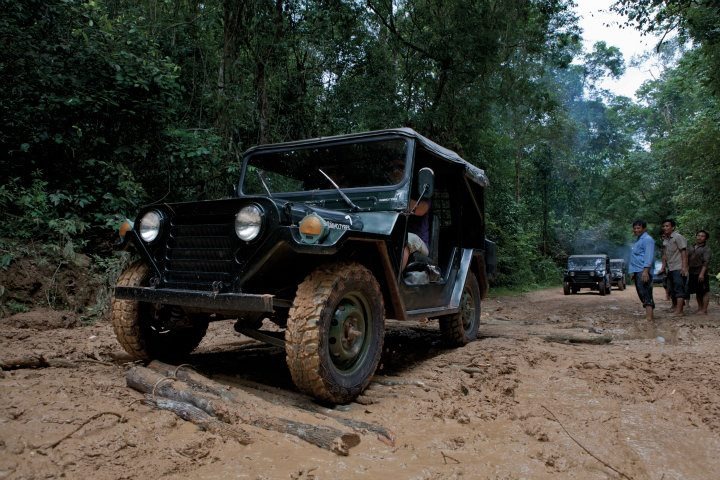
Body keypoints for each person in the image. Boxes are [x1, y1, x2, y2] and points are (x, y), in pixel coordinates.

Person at [660, 219, 689, 315]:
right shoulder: (665, 239)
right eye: (664, 226)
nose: (665, 228)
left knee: (678, 288)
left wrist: (684, 267)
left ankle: (680, 311)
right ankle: (674, 307)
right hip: (670, 267)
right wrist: (663, 267)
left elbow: (684, 253)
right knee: (671, 288)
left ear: (673, 227)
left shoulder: (678, 237)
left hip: (678, 266)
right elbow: (664, 254)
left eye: (667, 226)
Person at [629, 219, 655, 321]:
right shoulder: (638, 240)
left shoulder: (647, 239)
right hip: (637, 270)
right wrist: (632, 272)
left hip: (643, 270)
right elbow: (635, 257)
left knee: (646, 292)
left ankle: (649, 317)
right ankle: (650, 316)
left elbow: (649, 256)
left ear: (644, 228)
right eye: (635, 228)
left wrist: (645, 271)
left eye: (638, 228)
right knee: (641, 293)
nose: (636, 230)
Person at [688, 230, 712, 315]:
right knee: (698, 291)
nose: (699, 237)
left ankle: (704, 309)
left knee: (704, 291)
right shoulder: (691, 246)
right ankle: (700, 308)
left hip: (701, 271)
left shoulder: (706, 248)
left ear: (705, 238)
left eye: (702, 236)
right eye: (698, 235)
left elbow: (706, 262)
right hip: (692, 271)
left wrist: (702, 274)